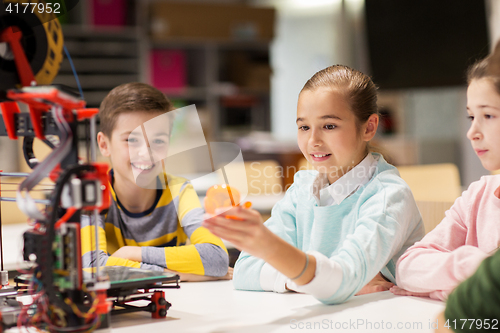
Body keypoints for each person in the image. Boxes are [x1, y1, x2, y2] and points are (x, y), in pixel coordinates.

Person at [203, 65, 424, 304]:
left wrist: (289, 264)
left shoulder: (387, 195)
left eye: (329, 126)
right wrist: (306, 281)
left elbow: (341, 282)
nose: (313, 141)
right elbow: (245, 271)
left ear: (369, 127)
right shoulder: (303, 188)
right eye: (304, 127)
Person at [81, 82, 231, 281]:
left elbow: (217, 258)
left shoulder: (179, 190)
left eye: (158, 141)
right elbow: (93, 267)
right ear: (104, 144)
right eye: (131, 140)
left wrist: (132, 254)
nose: (146, 153)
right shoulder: (91, 194)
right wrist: (178, 274)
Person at [393, 41, 500, 301]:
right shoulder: (478, 196)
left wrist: (437, 287)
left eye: (488, 116)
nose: (471, 132)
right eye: (470, 117)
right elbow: (407, 267)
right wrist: (473, 267)